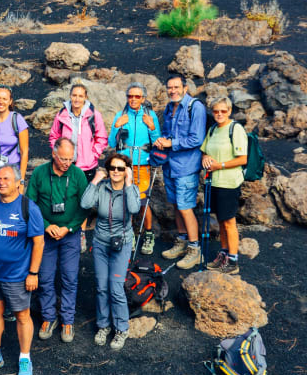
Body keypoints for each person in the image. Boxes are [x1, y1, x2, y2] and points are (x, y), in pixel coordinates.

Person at [0, 165, 45, 375]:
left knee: (22, 315)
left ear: (17, 182)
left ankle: (25, 357)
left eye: (6, 178)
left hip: (17, 274)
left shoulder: (28, 207)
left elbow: (39, 242)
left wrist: (33, 272)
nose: (1, 182)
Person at [25, 138, 88, 343]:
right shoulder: (39, 173)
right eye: (63, 158)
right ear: (54, 154)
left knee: (70, 278)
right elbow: (31, 205)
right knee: (45, 278)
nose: (66, 163)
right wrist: (45, 225)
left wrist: (68, 227)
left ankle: (67, 320)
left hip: (69, 234)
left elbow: (84, 207)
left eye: (70, 159)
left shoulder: (77, 174)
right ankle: (48, 317)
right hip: (45, 236)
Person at [81, 152, 140, 351]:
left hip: (121, 244)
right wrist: (95, 180)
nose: (116, 172)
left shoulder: (131, 189)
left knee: (115, 287)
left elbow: (133, 208)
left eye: (120, 169)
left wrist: (130, 182)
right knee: (101, 287)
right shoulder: (102, 188)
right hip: (100, 243)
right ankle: (103, 326)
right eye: (112, 168)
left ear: (126, 171)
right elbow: (85, 204)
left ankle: (121, 328)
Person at [154, 74, 207, 269]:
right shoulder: (169, 108)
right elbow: (168, 133)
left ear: (185, 88)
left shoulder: (196, 107)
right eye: (170, 87)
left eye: (176, 87)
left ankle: (195, 250)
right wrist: (162, 140)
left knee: (185, 207)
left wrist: (171, 143)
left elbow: (196, 139)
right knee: (176, 205)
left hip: (186, 167)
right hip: (170, 165)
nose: (173, 90)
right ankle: (182, 241)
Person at [107, 82, 160, 254]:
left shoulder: (150, 115)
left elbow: (157, 141)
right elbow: (111, 143)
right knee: (123, 200)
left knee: (143, 200)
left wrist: (151, 127)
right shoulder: (120, 115)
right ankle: (128, 234)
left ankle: (149, 234)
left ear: (143, 98)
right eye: (130, 96)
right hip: (123, 166)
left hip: (143, 164)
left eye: (137, 96)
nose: (133, 99)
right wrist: (117, 126)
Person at [200, 97, 249, 275]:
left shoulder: (235, 129)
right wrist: (205, 158)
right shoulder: (213, 129)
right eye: (215, 111)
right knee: (221, 220)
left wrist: (218, 165)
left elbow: (243, 158)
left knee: (229, 221)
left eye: (223, 111)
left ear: (229, 111)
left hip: (228, 183)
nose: (219, 114)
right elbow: (205, 150)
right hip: (214, 182)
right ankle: (223, 253)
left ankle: (233, 260)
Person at [48, 82, 108, 182]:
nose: (77, 99)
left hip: (87, 166)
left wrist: (93, 155)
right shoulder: (61, 115)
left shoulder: (94, 115)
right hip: (65, 165)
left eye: (80, 96)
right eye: (74, 95)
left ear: (85, 97)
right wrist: (59, 153)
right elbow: (54, 136)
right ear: (70, 96)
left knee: (86, 196)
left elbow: (101, 138)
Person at [0, 86, 30, 182]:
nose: (1, 102)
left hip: (12, 169)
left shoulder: (17, 120)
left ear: (10, 101)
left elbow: (24, 153)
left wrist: (21, 180)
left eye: (5, 99)